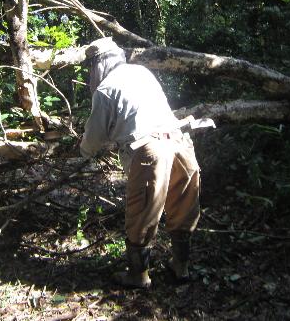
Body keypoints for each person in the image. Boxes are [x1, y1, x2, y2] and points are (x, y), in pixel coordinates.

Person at [79, 37, 201, 288]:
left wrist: (82, 150)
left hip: (151, 150)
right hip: (180, 142)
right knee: (183, 206)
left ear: (98, 64)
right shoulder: (142, 72)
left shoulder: (105, 89)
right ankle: (181, 267)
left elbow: (93, 138)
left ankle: (138, 275)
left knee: (142, 212)